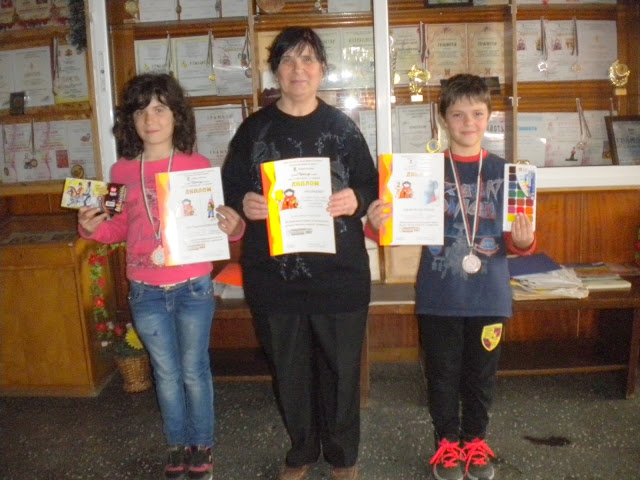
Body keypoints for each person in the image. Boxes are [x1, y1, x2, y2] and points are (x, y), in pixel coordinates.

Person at [221, 27, 378, 480]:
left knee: (341, 372)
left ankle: (343, 456)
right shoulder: (254, 130)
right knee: (289, 372)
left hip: (339, 273)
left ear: (322, 69)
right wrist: (244, 203)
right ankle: (302, 449)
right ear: (276, 70)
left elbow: (370, 186)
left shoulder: (343, 128)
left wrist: (356, 199)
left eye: (308, 59)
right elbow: (229, 191)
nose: (298, 69)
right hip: (273, 275)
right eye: (288, 60)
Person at [366, 74, 536, 480]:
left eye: (477, 113)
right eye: (458, 114)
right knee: (441, 376)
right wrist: (374, 223)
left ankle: (475, 441)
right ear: (443, 118)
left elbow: (520, 242)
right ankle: (446, 444)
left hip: (489, 297)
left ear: (489, 117)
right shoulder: (421, 172)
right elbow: (388, 230)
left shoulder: (510, 174)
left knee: (481, 377)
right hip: (439, 295)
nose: (468, 123)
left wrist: (524, 241)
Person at [77, 73, 244, 480]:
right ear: (130, 121)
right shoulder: (120, 171)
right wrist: (90, 226)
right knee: (165, 373)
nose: (150, 119)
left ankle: (201, 443)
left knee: (194, 370)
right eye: (140, 111)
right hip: (146, 290)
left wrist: (234, 227)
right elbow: (118, 229)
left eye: (159, 109)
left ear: (176, 116)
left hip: (193, 286)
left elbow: (217, 227)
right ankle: (176, 444)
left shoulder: (197, 166)